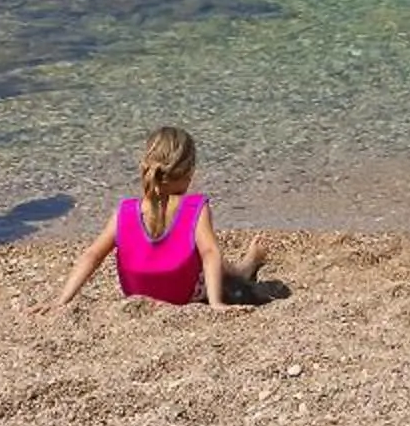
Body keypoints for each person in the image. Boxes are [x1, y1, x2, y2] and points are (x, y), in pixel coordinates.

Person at [43, 126, 270, 311]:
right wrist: (216, 303)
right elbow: (210, 253)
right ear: (190, 171)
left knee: (195, 249)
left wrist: (61, 301)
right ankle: (243, 270)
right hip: (184, 293)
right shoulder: (195, 207)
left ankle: (243, 268)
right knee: (204, 251)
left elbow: (92, 255)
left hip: (137, 293)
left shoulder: (124, 212)